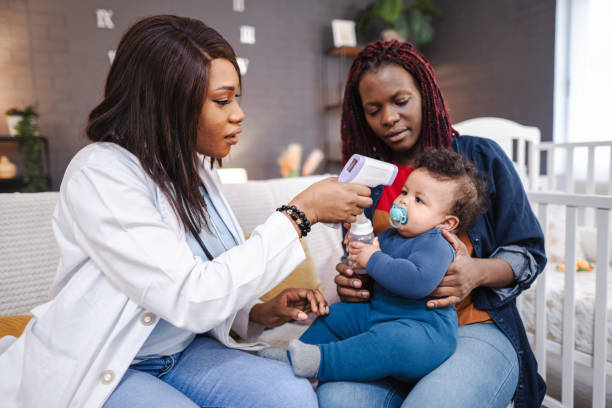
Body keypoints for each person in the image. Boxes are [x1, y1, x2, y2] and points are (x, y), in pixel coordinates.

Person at [0, 15, 373, 408]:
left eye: (237, 98)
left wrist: (259, 313)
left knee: (290, 396)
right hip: (111, 363)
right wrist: (301, 213)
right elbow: (189, 297)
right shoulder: (101, 173)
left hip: (184, 353)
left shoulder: (194, 170)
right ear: (169, 103)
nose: (238, 114)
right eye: (222, 100)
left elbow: (206, 276)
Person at [317, 40, 547, 408]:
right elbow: (367, 262)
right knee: (336, 400)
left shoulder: (481, 157)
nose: (388, 118)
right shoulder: (365, 184)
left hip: (474, 329)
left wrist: (475, 271)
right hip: (388, 330)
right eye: (373, 109)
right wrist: (353, 279)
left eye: (401, 101)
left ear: (426, 95)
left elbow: (530, 254)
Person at [261, 149, 487, 384]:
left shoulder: (438, 244)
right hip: (379, 314)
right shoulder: (389, 236)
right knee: (336, 314)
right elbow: (373, 273)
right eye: (404, 192)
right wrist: (357, 255)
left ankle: (321, 362)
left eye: (418, 200)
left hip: (422, 332)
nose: (402, 201)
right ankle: (295, 355)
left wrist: (373, 258)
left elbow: (417, 282)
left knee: (391, 339)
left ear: (446, 222)